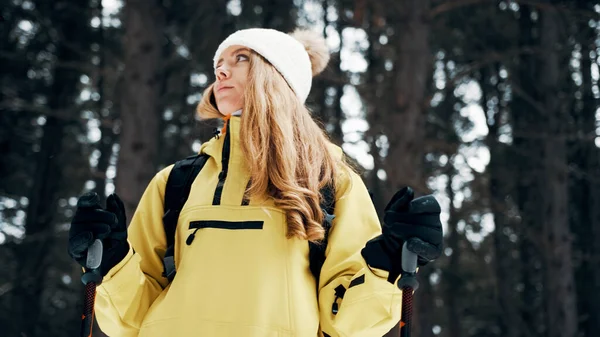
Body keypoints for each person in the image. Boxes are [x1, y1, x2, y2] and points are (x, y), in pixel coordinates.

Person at [67, 28, 443, 337]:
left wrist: (388, 264)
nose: (221, 72)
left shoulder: (329, 181)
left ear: (278, 76)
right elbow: (129, 321)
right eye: (218, 64)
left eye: (240, 58)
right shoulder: (176, 181)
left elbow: (345, 323)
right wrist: (113, 262)